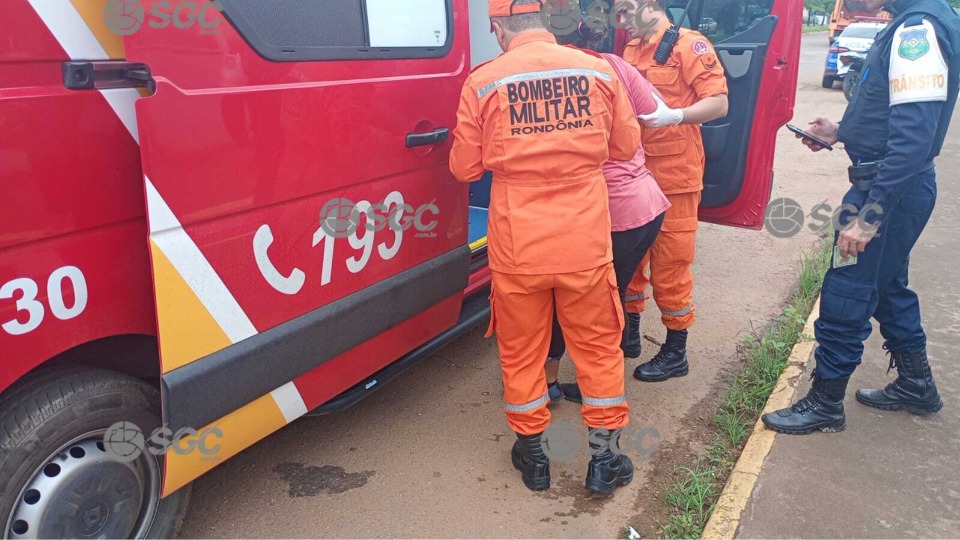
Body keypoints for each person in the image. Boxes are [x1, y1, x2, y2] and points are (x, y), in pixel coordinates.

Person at [449, 0, 642, 495]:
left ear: (497, 27)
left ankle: (534, 458)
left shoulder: (484, 80)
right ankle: (604, 461)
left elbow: (464, 169)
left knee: (521, 351)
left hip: (518, 248)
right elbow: (624, 147)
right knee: (599, 349)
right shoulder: (597, 70)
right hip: (584, 243)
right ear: (544, 23)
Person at [763, 0, 959, 435]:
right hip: (894, 187)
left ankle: (825, 404)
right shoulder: (917, 20)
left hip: (885, 192)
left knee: (847, 290)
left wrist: (870, 214)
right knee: (887, 287)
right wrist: (841, 132)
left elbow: (914, 137)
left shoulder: (917, 31)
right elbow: (894, 117)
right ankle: (916, 385)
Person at [544, 16, 671, 404]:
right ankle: (612, 362)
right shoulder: (615, 66)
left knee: (575, 302)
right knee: (611, 294)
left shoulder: (543, 77)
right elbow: (657, 114)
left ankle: (581, 386)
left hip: (609, 213)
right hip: (647, 204)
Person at [618, 1, 729, 382]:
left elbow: (719, 103)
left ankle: (675, 350)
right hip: (632, 174)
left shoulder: (690, 45)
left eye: (625, 9)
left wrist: (676, 115)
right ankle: (628, 333)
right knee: (629, 261)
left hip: (675, 177)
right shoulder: (631, 48)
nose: (621, 19)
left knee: (671, 266)